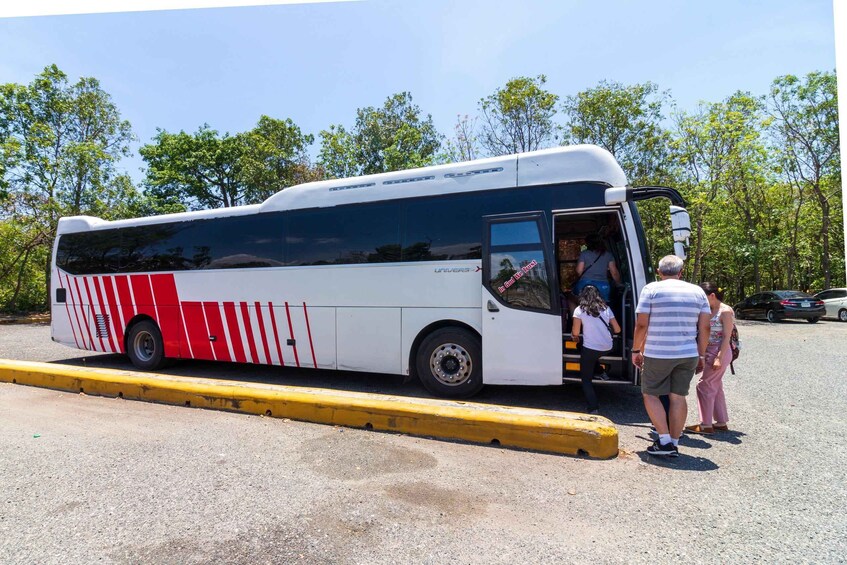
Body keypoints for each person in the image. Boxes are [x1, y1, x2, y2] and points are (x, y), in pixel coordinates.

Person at [632, 255, 710, 457]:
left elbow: (641, 324)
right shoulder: (698, 292)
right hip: (688, 354)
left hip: (658, 353)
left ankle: (664, 441)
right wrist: (701, 355)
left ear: (659, 272)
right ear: (681, 272)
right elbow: (705, 327)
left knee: (651, 394)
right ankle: (674, 442)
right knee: (678, 397)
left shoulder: (651, 289)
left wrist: (635, 349)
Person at [685, 283, 734, 434]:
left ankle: (705, 425)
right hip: (708, 351)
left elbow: (727, 336)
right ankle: (720, 421)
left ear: (712, 296)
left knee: (704, 385)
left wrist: (719, 357)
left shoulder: (725, 311)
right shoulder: (708, 310)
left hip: (720, 351)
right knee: (716, 386)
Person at [571, 285, 621, 414]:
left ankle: (593, 408)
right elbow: (617, 329)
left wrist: (575, 337)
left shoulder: (579, 310)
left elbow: (575, 332)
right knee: (591, 356)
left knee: (586, 379)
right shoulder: (606, 308)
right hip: (608, 347)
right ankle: (601, 372)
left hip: (591, 349)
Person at [573, 234, 622, 303]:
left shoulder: (584, 254)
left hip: (585, 284)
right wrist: (619, 284)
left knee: (572, 299)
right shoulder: (608, 255)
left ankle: (576, 313)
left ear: (588, 243)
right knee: (603, 305)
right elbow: (614, 273)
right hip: (603, 286)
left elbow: (579, 271)